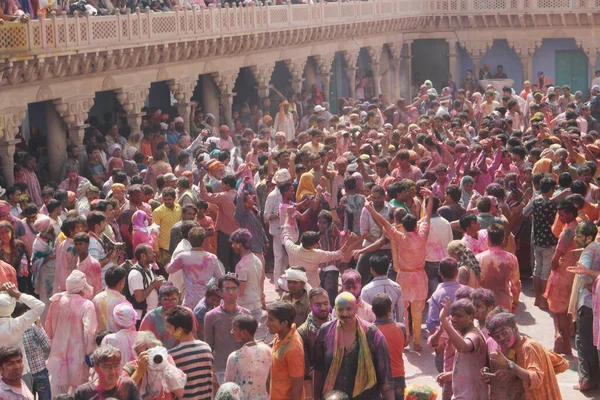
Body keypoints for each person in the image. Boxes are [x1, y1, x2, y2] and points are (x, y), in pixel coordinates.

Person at [364, 187, 434, 350]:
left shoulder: (399, 237)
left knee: (403, 312)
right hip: (420, 277)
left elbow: (383, 222)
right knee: (417, 313)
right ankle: (416, 342)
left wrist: (368, 208)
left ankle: (406, 339)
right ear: (416, 226)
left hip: (404, 277)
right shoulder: (422, 235)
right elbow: (427, 216)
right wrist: (430, 197)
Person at [313, 292, 395, 400]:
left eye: (349, 309)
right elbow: (318, 369)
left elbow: (385, 375)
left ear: (356, 308)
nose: (345, 313)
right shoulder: (326, 332)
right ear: (334, 310)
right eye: (341, 309)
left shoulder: (372, 334)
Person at [485, 312, 568, 400]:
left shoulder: (529, 347)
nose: (501, 338)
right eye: (497, 337)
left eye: (504, 333)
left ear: (515, 328)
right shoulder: (510, 348)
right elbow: (560, 364)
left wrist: (510, 365)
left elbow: (536, 378)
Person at [46, 270, 98, 396]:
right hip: (78, 354)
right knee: (79, 390)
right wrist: (89, 353)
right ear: (81, 286)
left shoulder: (56, 301)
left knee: (57, 390)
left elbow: (48, 328)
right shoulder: (86, 305)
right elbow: (89, 332)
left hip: (57, 353)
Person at [544, 200, 579, 354]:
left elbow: (555, 257)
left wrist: (553, 269)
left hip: (563, 273)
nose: (560, 218)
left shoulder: (567, 232)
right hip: (573, 272)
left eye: (562, 215)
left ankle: (563, 342)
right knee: (563, 310)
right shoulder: (578, 226)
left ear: (570, 214)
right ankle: (562, 340)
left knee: (559, 310)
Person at [437, 298, 488, 400]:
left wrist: (444, 321)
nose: (454, 319)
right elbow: (471, 368)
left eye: (459, 316)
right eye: (453, 315)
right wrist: (452, 374)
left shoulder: (474, 336)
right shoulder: (464, 334)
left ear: (470, 318)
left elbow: (463, 347)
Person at [569, 221, 600, 391]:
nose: (575, 238)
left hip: (587, 304)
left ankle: (586, 381)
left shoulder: (589, 252)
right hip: (595, 304)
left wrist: (589, 283)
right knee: (594, 343)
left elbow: (585, 270)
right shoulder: (596, 246)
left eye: (579, 236)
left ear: (588, 237)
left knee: (583, 342)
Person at [204, 275, 250, 382]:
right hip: (221, 369)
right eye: (227, 289)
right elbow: (208, 345)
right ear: (220, 292)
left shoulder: (246, 314)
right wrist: (212, 370)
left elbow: (249, 343)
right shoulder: (211, 316)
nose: (231, 292)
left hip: (243, 367)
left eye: (234, 288)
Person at [0, 282, 45, 388]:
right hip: (21, 373)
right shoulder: (17, 324)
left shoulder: (16, 324)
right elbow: (39, 305)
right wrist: (18, 294)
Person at [165, 227, 223, 309]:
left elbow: (169, 270)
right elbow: (220, 279)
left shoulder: (183, 256)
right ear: (203, 241)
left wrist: (168, 264)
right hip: (207, 301)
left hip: (189, 300)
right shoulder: (212, 258)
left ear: (189, 239)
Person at [167, 306, 214, 399]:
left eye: (169, 327)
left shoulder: (173, 355)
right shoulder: (206, 347)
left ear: (179, 329)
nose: (168, 331)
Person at [122, 331, 186, 400]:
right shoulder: (131, 367)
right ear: (137, 354)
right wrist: (139, 371)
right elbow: (123, 393)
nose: (149, 356)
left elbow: (180, 393)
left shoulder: (166, 360)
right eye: (145, 353)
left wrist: (166, 367)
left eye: (152, 351)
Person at [476, 224, 521, 312]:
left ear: (488, 239)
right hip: (504, 301)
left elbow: (475, 282)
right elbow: (515, 284)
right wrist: (515, 302)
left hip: (484, 301)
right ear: (503, 239)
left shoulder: (478, 258)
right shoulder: (511, 258)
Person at [225, 314, 271, 399]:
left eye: (234, 330)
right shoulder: (267, 350)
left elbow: (228, 386)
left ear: (244, 333)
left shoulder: (235, 357)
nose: (231, 332)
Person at [140, 282, 197, 351]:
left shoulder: (187, 313)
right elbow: (141, 342)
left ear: (179, 299)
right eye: (166, 300)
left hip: (184, 355)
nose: (170, 303)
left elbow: (193, 336)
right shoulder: (151, 317)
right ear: (159, 300)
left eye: (173, 299)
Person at [266, 300, 305, 400]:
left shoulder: (293, 349)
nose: (267, 323)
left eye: (271, 320)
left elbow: (297, 388)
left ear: (284, 323)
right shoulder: (281, 335)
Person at [297, 287, 331, 398]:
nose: (323, 308)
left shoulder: (338, 325)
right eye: (318, 305)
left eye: (326, 303)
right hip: (316, 387)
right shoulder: (303, 332)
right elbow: (306, 371)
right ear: (310, 306)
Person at [372, 293, 407, 400]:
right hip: (398, 375)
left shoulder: (370, 331)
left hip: (379, 377)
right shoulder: (401, 328)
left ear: (373, 310)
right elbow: (403, 345)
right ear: (390, 310)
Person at [74, 345, 140, 400]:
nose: (113, 372)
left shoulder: (128, 386)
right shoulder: (84, 392)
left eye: (116, 366)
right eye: (107, 367)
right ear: (96, 368)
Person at [230, 228, 265, 322]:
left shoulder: (241, 265)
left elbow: (240, 292)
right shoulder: (257, 260)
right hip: (257, 307)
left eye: (233, 243)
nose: (232, 246)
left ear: (240, 245)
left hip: (245, 309)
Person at [127, 244, 164, 328]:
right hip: (142, 317)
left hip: (152, 313)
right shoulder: (135, 274)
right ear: (143, 256)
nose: (154, 254)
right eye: (150, 253)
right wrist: (153, 285)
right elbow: (139, 298)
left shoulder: (150, 268)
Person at [360, 253, 404, 323]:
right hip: (392, 327)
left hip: (373, 330)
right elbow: (400, 314)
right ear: (387, 268)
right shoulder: (396, 287)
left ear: (371, 270)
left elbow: (364, 315)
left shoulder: (366, 290)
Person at [426, 257, 462, 333]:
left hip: (444, 339)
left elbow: (431, 325)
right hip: (465, 339)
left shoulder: (436, 295)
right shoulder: (468, 291)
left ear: (439, 273)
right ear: (457, 272)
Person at [92, 264, 129, 333]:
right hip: (116, 340)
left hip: (98, 340)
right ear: (121, 283)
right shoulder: (122, 301)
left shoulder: (96, 298)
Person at [101, 302, 138, 369]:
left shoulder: (109, 339)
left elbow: (102, 364)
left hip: (116, 378)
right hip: (137, 378)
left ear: (116, 320)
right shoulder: (141, 337)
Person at [152, 187, 182, 269]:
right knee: (166, 271)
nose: (167, 202)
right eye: (165, 199)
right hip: (164, 248)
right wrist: (156, 250)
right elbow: (155, 232)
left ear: (174, 198)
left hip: (177, 245)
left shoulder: (179, 208)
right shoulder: (158, 212)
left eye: (169, 199)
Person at [74, 232, 102, 297]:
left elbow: (98, 288)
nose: (78, 247)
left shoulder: (93, 264)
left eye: (81, 244)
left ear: (87, 245)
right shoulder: (75, 261)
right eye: (76, 244)